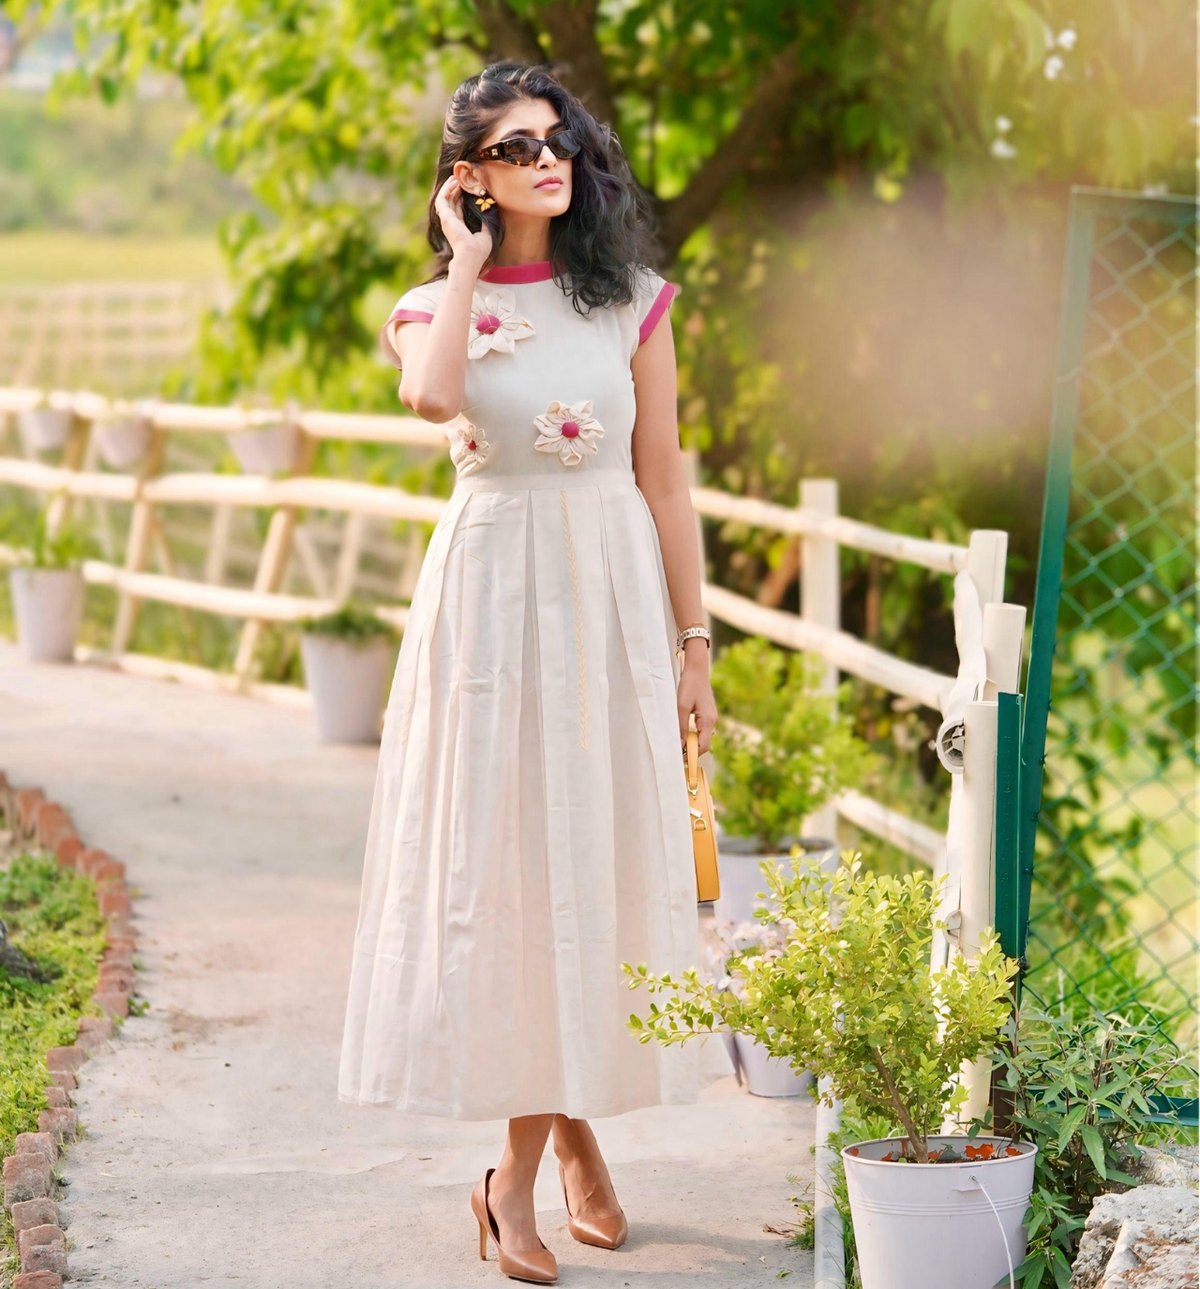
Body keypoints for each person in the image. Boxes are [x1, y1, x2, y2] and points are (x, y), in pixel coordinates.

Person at [338, 60, 727, 1284]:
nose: (547, 159)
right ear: (469, 176)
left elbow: (664, 477)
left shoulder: (635, 302)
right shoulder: (423, 305)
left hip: (610, 602)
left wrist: (694, 645)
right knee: (511, 872)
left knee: (591, 859)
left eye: (556, 139)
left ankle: (537, 1155)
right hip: (494, 608)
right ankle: (535, 1166)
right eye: (513, 147)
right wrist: (461, 267)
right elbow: (436, 394)